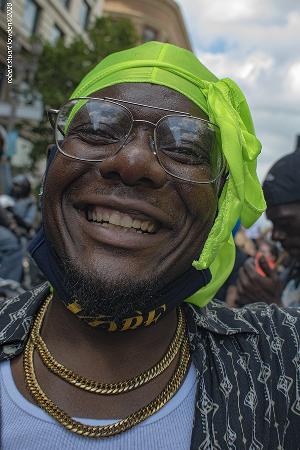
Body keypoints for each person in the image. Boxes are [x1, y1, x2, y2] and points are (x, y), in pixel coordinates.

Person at [0, 42, 299, 450]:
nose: (133, 163)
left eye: (185, 147)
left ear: (220, 208)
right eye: (98, 129)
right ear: (53, 164)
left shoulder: (282, 359)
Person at [236, 149, 300, 307]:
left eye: (285, 224)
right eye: (274, 224)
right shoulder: (291, 269)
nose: (275, 236)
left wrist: (271, 306)